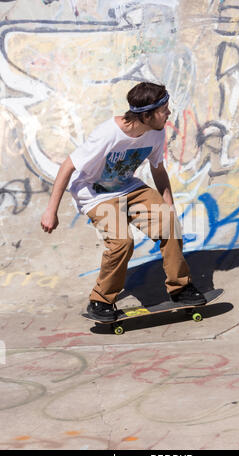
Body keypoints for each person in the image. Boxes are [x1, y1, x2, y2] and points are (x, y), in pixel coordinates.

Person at [41, 82, 206, 322]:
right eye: (164, 110)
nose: (169, 113)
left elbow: (158, 169)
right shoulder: (107, 134)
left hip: (129, 188)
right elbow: (68, 166)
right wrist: (50, 211)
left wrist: (168, 206)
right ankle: (100, 300)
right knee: (121, 242)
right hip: (95, 195)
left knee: (169, 223)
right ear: (146, 115)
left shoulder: (157, 131)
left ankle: (180, 288)